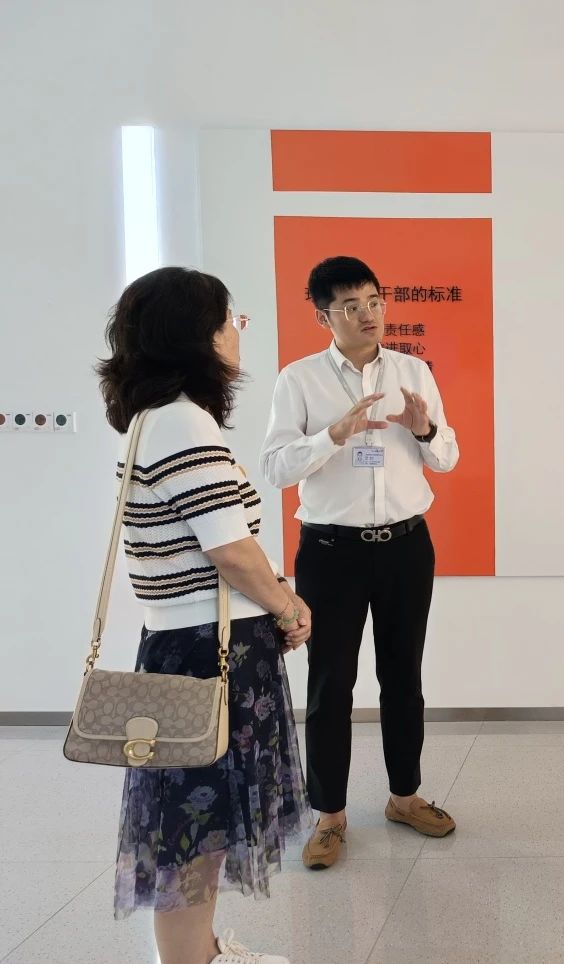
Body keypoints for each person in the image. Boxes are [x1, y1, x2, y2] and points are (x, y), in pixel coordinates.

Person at [97, 267, 313, 964]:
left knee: (197, 827)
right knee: (194, 832)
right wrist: (288, 604)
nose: (236, 332)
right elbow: (230, 550)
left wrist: (273, 596)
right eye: (230, 320)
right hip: (210, 651)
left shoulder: (153, 418)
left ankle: (202, 953)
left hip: (189, 643)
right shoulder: (182, 422)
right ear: (199, 335)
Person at [261, 256, 459, 871]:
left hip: (406, 546)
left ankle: (405, 796)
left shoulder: (413, 371)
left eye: (374, 301)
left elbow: (448, 458)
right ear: (324, 317)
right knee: (330, 684)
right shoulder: (299, 380)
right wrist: (332, 436)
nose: (368, 314)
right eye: (351, 306)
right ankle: (329, 815)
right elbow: (274, 469)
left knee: (403, 677)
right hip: (331, 551)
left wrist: (424, 430)